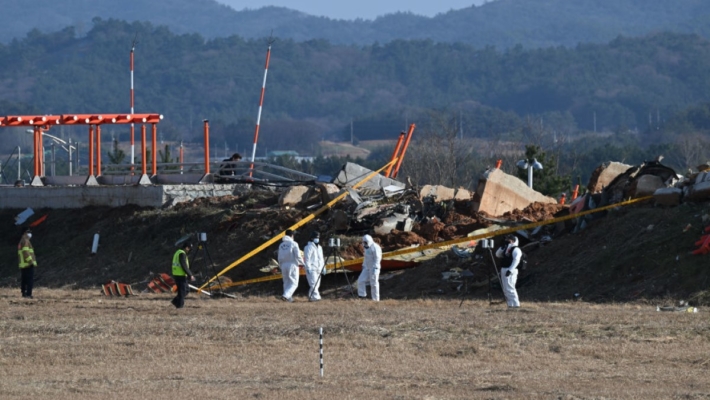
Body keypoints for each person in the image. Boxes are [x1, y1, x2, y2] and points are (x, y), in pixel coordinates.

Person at [495, 234, 522, 308]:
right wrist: (502, 247)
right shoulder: (506, 248)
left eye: (508, 240)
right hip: (504, 269)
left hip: (511, 270)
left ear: (513, 241)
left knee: (510, 287)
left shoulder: (516, 249)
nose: (507, 241)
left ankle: (516, 304)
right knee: (505, 288)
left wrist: (510, 270)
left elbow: (516, 260)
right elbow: (497, 255)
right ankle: (510, 304)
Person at [278, 229, 304, 303]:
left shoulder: (281, 245)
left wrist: (280, 265)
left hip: (283, 265)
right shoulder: (294, 243)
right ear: (292, 235)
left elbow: (279, 256)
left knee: (286, 282)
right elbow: (298, 255)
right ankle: (285, 296)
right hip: (292, 264)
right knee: (294, 283)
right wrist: (302, 263)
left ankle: (289, 299)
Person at [357, 234, 382, 301]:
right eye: (364, 242)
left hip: (374, 268)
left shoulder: (375, 247)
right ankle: (362, 296)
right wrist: (363, 265)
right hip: (366, 267)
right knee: (360, 280)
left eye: (366, 242)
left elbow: (377, 259)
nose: (364, 244)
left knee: (374, 283)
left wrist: (375, 269)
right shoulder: (366, 247)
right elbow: (366, 257)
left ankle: (376, 300)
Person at [171, 241, 195, 309]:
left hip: (177, 274)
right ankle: (180, 306)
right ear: (187, 248)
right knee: (182, 291)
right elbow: (184, 266)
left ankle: (175, 301)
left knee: (186, 290)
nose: (189, 250)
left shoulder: (178, 252)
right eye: (190, 248)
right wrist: (190, 275)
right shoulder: (182, 254)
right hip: (180, 275)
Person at [304, 231, 325, 301]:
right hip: (311, 268)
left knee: (317, 284)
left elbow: (321, 258)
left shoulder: (320, 248)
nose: (317, 239)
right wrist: (308, 268)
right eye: (316, 237)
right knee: (313, 283)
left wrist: (323, 267)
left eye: (318, 238)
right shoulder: (308, 247)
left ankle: (311, 296)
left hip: (318, 268)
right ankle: (317, 297)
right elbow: (307, 259)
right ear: (312, 238)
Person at [18, 229, 37, 298]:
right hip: (28, 264)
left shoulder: (21, 241)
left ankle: (24, 293)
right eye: (28, 232)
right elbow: (25, 252)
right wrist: (31, 261)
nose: (30, 234)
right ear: (24, 233)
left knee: (24, 280)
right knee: (29, 280)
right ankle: (28, 294)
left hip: (23, 264)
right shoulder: (25, 241)